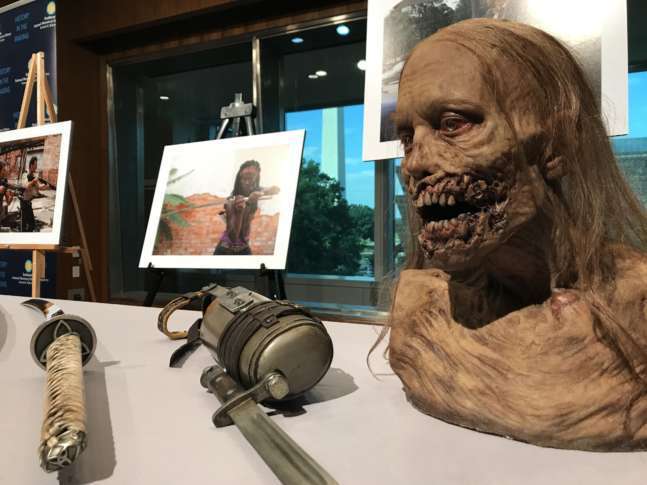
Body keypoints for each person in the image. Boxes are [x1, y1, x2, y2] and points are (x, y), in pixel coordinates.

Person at [213, 160, 280, 255]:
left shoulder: (255, 192)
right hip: (226, 248)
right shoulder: (232, 200)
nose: (247, 182)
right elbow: (233, 236)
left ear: (256, 179)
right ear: (239, 179)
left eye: (252, 178)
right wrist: (240, 211)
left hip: (244, 246)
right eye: (244, 178)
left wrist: (263, 192)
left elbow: (273, 189)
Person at [20, 157, 49, 232]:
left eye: (36, 165)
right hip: (23, 202)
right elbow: (26, 186)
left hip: (28, 202)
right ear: (31, 165)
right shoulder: (25, 174)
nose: (36, 167)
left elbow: (39, 187)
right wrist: (33, 181)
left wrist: (46, 186)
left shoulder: (33, 176)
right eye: (35, 165)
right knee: (24, 225)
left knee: (31, 224)